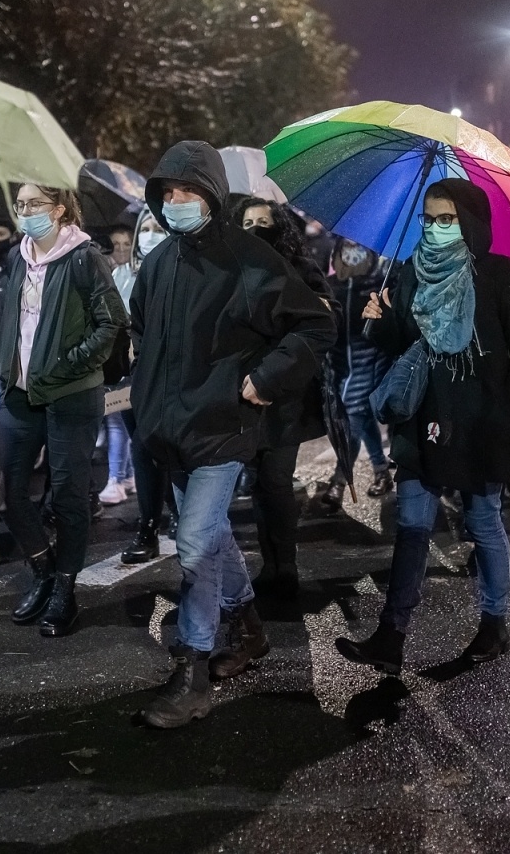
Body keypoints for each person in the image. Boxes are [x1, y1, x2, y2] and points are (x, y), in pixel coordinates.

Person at [128, 142, 333, 726]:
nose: (176, 202)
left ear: (212, 194)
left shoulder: (250, 259)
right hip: (169, 431)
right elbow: (142, 332)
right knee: (211, 535)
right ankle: (248, 628)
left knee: (194, 543)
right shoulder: (160, 263)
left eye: (187, 191)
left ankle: (192, 667)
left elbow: (315, 325)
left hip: (222, 427)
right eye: (167, 192)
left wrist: (264, 380)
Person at [335, 179, 510, 674]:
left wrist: (507, 418)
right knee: (412, 526)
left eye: (446, 219)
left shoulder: (498, 273)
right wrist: (375, 319)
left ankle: (494, 622)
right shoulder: (406, 273)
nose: (435, 227)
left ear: (469, 222)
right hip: (421, 418)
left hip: (479, 421)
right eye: (428, 218)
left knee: (484, 522)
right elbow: (396, 341)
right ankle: (391, 634)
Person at [0, 183, 125, 636]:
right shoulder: (17, 256)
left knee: (68, 495)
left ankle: (65, 589)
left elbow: (112, 321)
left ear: (60, 210)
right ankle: (44, 569)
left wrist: (71, 364)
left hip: (71, 393)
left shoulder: (83, 257)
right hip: (18, 392)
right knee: (5, 488)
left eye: (33, 204)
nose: (24, 211)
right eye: (21, 204)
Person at [233, 196, 333, 602]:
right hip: (243, 391)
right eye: (247, 222)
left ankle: (285, 566)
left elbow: (326, 316)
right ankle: (269, 564)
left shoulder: (300, 268)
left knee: (275, 480)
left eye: (263, 221)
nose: (255, 228)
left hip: (286, 394)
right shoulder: (232, 270)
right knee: (258, 482)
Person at [119, 207, 175, 564]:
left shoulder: (176, 269)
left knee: (151, 446)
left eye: (158, 227)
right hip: (128, 379)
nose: (150, 233)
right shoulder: (118, 274)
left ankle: (153, 523)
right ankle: (153, 523)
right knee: (141, 447)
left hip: (165, 376)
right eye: (146, 227)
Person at [331, 238, 393, 497]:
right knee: (362, 416)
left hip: (369, 360)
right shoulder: (333, 287)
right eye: (346, 247)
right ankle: (381, 470)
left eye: (358, 246)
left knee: (355, 414)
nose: (352, 252)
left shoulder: (378, 286)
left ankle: (338, 480)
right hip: (342, 366)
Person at [98, 226, 137, 505]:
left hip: (132, 356)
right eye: (116, 244)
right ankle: (125, 475)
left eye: (127, 243)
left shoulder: (139, 274)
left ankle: (117, 478)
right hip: (111, 357)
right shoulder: (103, 276)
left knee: (120, 421)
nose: (121, 249)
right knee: (118, 419)